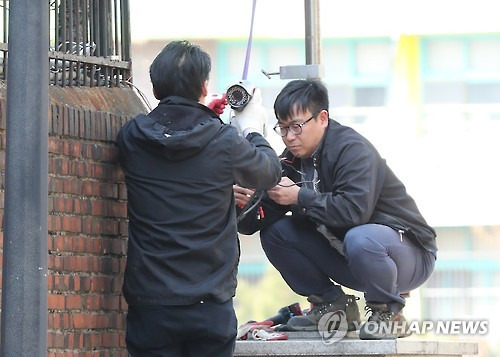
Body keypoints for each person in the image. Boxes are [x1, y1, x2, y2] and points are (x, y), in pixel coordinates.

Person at [234, 79, 437, 340]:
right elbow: (252, 224)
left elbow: (354, 213)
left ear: (323, 118)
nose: (290, 137)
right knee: (275, 231)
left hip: (408, 255)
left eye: (296, 126)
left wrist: (299, 196)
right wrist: (244, 199)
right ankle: (332, 306)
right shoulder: (290, 160)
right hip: (353, 257)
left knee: (361, 237)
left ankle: (389, 313)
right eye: (282, 128)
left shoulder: (351, 150)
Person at [116, 40, 281, 356]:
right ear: (204, 86)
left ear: (155, 89)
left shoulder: (132, 136)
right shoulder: (223, 141)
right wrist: (251, 128)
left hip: (151, 304)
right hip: (210, 304)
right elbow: (268, 173)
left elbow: (176, 158)